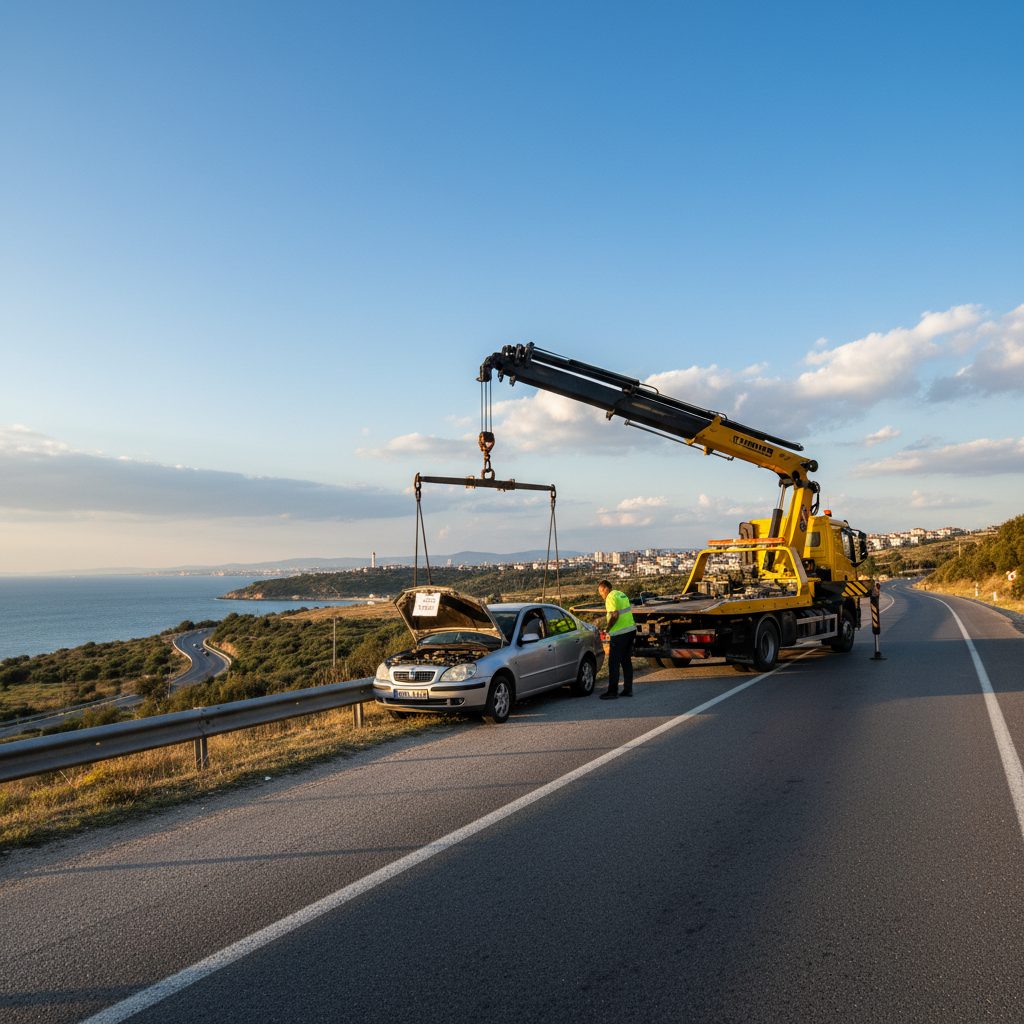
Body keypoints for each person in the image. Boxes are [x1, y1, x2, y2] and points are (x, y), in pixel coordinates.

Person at [598, 580, 635, 699]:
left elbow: (615, 615)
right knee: (626, 661)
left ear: (604, 589)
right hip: (630, 630)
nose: (601, 595)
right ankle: (628, 689)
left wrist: (607, 629)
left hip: (620, 633)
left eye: (600, 592)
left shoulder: (610, 597)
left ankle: (612, 691)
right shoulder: (621, 594)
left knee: (613, 663)